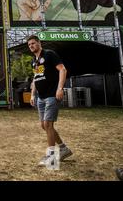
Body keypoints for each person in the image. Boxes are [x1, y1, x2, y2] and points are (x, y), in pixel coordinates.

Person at [27, 35, 73, 167]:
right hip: (40, 97)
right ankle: (64, 148)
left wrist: (60, 88)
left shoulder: (49, 54)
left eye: (33, 43)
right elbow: (36, 78)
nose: (31, 46)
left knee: (48, 124)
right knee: (44, 126)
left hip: (52, 95)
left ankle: (51, 157)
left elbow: (62, 70)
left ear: (39, 43)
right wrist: (32, 95)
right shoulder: (33, 61)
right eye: (29, 45)